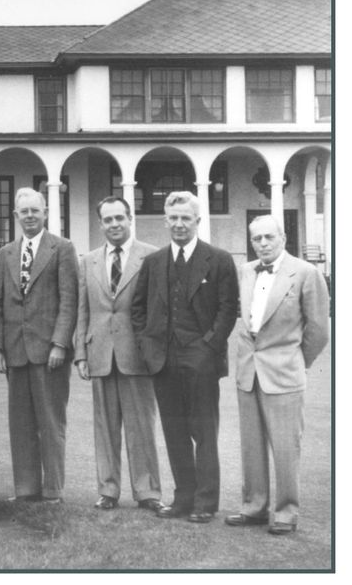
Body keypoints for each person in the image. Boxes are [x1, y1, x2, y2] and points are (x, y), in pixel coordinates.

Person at [131, 190, 238, 523]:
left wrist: (208, 347)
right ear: (166, 221)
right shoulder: (153, 262)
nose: (179, 224)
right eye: (173, 218)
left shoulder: (218, 259)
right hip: (164, 362)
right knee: (174, 433)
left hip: (202, 361)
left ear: (197, 221)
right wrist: (148, 347)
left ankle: (205, 502)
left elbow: (228, 309)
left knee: (204, 433)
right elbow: (138, 309)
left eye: (185, 218)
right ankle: (183, 499)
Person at [225, 215, 329, 535]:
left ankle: (286, 511)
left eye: (270, 237)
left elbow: (319, 330)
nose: (264, 244)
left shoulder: (306, 272)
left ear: (283, 237)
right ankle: (254, 507)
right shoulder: (244, 271)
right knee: (251, 447)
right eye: (257, 239)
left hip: (284, 373)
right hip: (248, 373)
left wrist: (295, 359)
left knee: (286, 448)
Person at [0, 187, 78, 503]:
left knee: (51, 421)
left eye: (34, 211)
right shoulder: (4, 254)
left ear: (45, 213)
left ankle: (53, 489)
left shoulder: (62, 249)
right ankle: (26, 488)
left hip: (49, 352)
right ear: (16, 216)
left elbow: (69, 300)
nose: (29, 216)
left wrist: (59, 343)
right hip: (15, 351)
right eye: (23, 212)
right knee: (21, 423)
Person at [74, 197, 162, 512]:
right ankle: (108, 490)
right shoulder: (88, 261)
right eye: (107, 220)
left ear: (130, 218)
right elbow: (83, 309)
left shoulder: (151, 256)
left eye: (119, 218)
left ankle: (148, 491)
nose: (114, 225)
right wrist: (81, 353)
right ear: (100, 224)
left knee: (141, 427)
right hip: (99, 352)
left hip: (137, 356)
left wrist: (155, 352)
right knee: (105, 426)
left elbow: (158, 309)